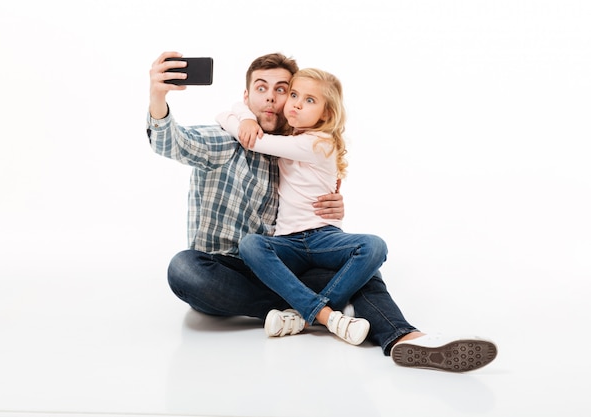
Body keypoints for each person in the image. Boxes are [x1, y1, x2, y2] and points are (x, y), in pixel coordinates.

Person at [146, 51, 497, 372]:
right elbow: (172, 141)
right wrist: (159, 97)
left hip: (281, 264)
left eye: (283, 90)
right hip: (226, 271)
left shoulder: (293, 145)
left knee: (363, 266)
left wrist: (332, 208)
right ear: (246, 96)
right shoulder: (226, 138)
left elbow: (310, 191)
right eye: (261, 88)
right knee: (183, 268)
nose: (271, 97)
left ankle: (400, 337)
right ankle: (324, 313)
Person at [216, 68, 387, 346]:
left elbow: (246, 133)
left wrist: (243, 123)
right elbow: (229, 111)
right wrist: (247, 116)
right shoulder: (290, 138)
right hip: (287, 242)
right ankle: (327, 315)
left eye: (309, 100)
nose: (295, 103)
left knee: (374, 246)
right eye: (294, 95)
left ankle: (304, 315)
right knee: (250, 246)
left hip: (323, 237)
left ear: (326, 114)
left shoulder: (319, 142)